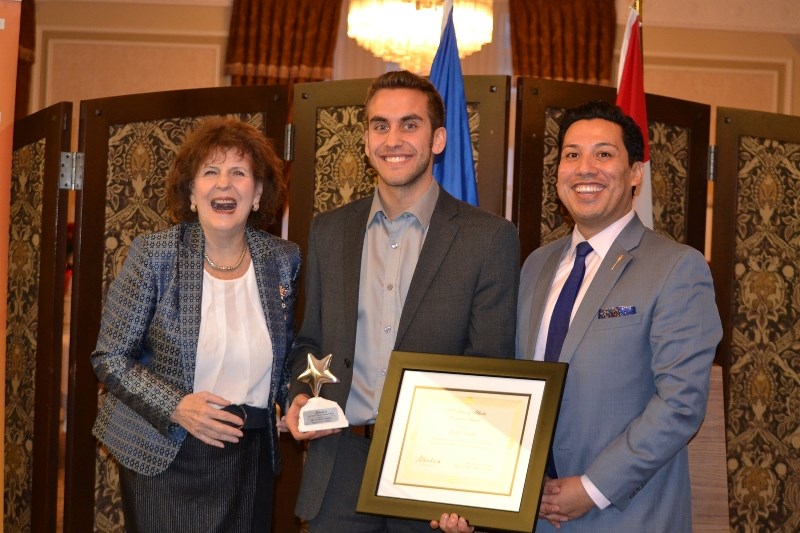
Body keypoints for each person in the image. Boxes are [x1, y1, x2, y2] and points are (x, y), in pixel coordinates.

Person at [283, 70, 520, 533]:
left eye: (410, 125)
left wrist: (471, 484)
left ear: (438, 139)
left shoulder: (489, 238)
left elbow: (491, 367)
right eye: (380, 125)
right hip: (339, 463)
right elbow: (310, 340)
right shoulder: (328, 231)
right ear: (367, 140)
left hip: (434, 471)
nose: (393, 139)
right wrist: (297, 396)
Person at [516, 100, 722, 531]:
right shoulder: (536, 265)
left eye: (604, 154)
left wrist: (591, 488)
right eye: (572, 154)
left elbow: (681, 404)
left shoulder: (677, 268)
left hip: (624, 514)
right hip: (532, 513)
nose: (585, 168)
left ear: (634, 174)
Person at [91, 117, 300, 532]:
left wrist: (290, 399)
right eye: (211, 172)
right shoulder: (155, 255)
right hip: (167, 454)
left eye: (239, 173)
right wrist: (177, 407)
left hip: (249, 454)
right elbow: (110, 357)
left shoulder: (282, 259)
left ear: (257, 194)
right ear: (191, 193)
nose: (225, 184)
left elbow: (285, 352)